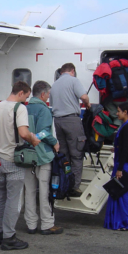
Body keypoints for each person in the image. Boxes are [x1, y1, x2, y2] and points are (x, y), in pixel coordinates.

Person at [0, 81, 40, 251]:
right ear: (20, 93)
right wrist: (33, 140)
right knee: (13, 199)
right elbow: (23, 133)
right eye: (26, 97)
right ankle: (9, 236)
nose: (26, 101)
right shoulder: (20, 109)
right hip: (13, 159)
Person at [24, 81, 63, 235]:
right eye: (48, 94)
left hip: (27, 155)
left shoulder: (24, 108)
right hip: (42, 155)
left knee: (29, 191)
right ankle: (46, 224)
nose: (48, 97)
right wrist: (55, 143)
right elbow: (43, 132)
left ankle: (31, 224)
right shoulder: (44, 110)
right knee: (45, 191)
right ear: (43, 94)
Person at [50, 63, 90, 197]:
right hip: (72, 120)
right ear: (72, 71)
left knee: (64, 155)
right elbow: (84, 97)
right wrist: (88, 104)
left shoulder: (54, 85)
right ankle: (74, 187)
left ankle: (64, 183)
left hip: (58, 121)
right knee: (77, 154)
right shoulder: (74, 80)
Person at [104, 102, 128, 230]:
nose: (116, 113)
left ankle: (126, 223)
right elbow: (126, 147)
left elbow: (126, 150)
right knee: (121, 193)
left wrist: (120, 169)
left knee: (123, 194)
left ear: (125, 112)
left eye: (118, 111)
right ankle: (122, 222)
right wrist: (117, 149)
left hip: (124, 165)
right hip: (125, 163)